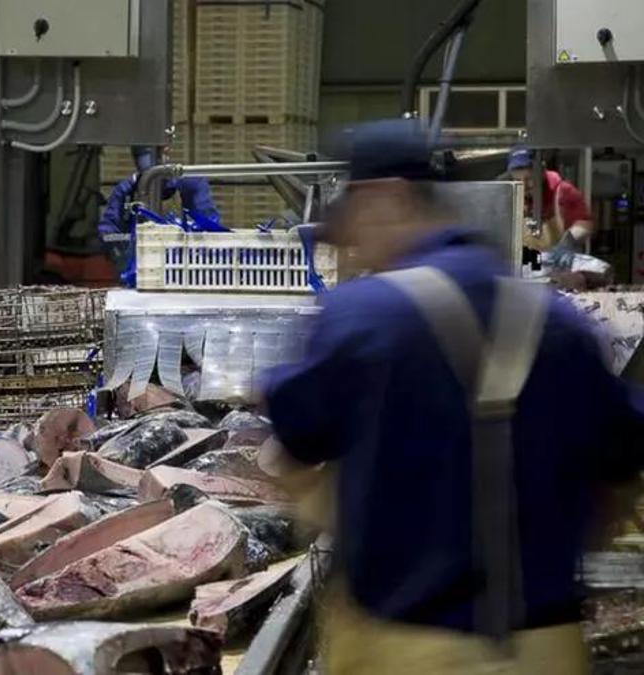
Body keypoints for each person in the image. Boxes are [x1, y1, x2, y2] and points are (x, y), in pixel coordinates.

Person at [260, 119, 644, 674]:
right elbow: (620, 465)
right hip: (545, 654)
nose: (355, 246)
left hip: (405, 652)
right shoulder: (562, 325)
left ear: (384, 198)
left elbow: (293, 440)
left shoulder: (362, 318)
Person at [96, 146, 218, 285]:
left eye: (149, 153)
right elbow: (108, 228)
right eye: (139, 154)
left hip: (187, 274)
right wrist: (119, 251)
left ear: (166, 151)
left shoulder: (190, 184)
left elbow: (209, 228)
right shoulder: (127, 189)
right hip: (140, 276)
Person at [507, 146, 595, 269]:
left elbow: (585, 224)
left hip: (557, 268)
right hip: (525, 271)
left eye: (530, 179)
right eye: (518, 180)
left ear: (542, 171)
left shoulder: (563, 191)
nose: (525, 185)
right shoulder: (511, 194)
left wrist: (567, 242)